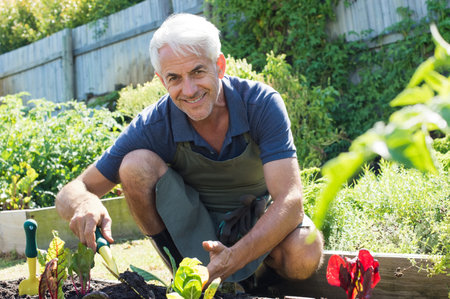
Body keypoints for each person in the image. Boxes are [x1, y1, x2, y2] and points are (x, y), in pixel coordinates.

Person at [55, 13, 323, 288]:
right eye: (175, 78)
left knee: (304, 252)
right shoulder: (155, 124)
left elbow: (290, 202)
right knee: (133, 165)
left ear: (219, 65)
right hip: (194, 230)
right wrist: (84, 202)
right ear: (162, 81)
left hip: (256, 221)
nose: (190, 89)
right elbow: (70, 192)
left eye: (197, 72)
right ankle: (181, 271)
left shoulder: (260, 103)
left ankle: (255, 281)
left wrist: (234, 257)